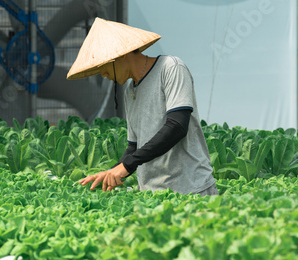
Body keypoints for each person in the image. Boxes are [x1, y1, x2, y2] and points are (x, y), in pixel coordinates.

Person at [67, 18, 218, 196]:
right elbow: (134, 147)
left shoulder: (171, 68)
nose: (104, 74)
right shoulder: (130, 90)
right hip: (152, 194)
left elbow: (177, 126)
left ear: (121, 54)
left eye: (104, 66)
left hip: (191, 189)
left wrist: (126, 166)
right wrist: (111, 171)